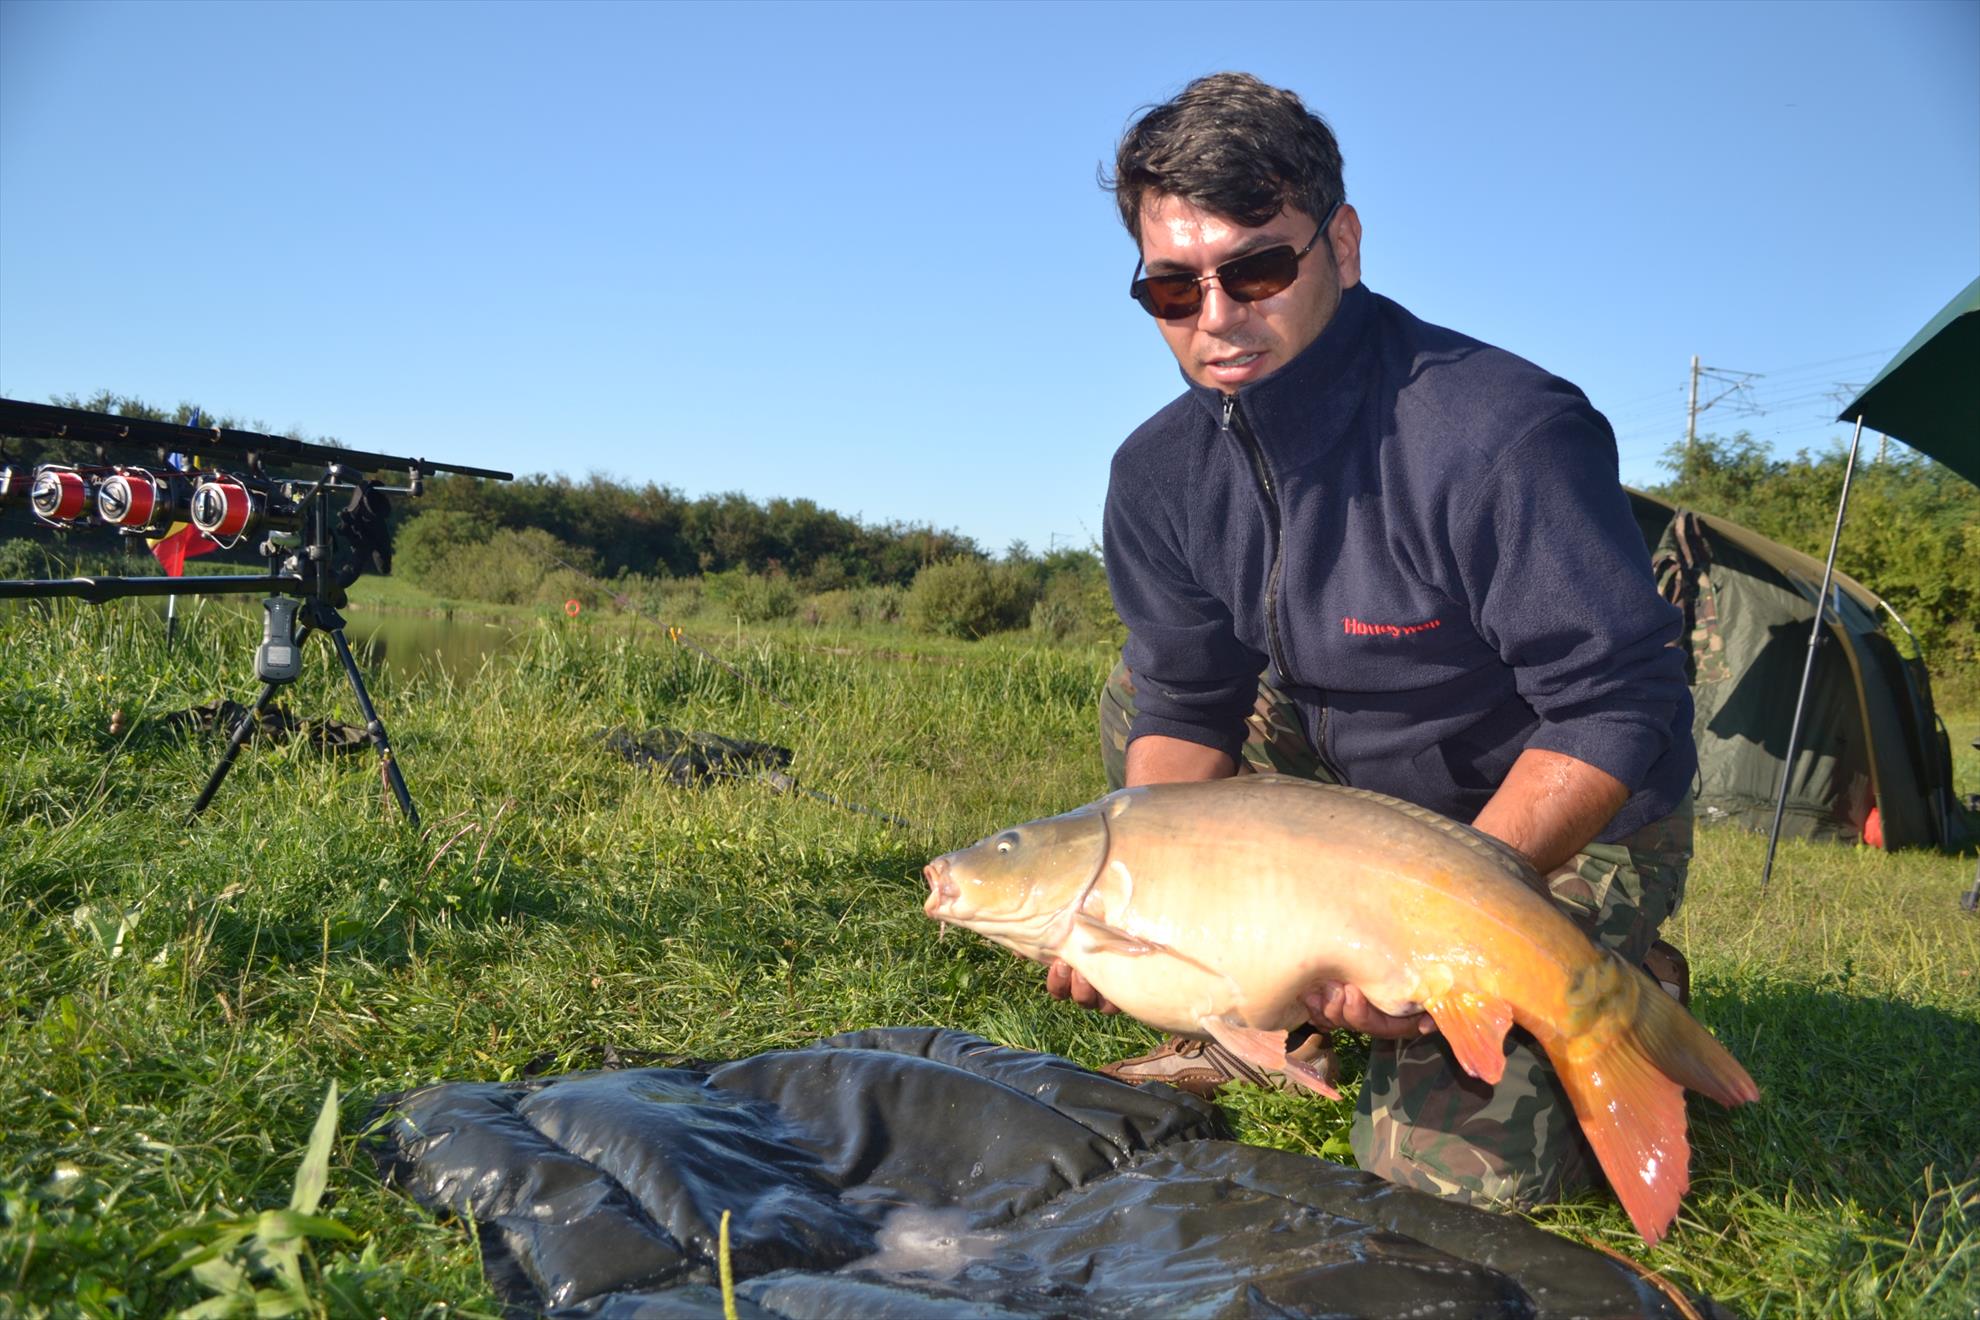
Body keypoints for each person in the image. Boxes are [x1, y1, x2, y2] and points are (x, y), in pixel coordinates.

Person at [1050, 71, 1699, 1215]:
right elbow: (1190, 709)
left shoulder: (1500, 431)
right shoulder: (1155, 475)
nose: (1216, 317)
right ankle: (1245, 1013)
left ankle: (1614, 969)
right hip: (1346, 800)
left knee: (1442, 1189)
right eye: (1171, 286)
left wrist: (1439, 934)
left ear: (1340, 245)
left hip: (1546, 805)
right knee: (1140, 693)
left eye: (1256, 269)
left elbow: (1616, 707)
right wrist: (1138, 907)